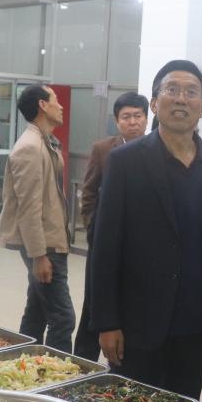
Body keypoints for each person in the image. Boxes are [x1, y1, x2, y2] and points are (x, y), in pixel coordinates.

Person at [89, 59, 202, 402]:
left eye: (191, 92)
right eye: (172, 90)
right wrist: (106, 322)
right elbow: (105, 247)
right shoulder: (125, 161)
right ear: (155, 103)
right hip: (138, 321)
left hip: (197, 322)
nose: (181, 98)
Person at [73, 91, 149, 360]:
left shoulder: (157, 150)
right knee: (96, 300)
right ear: (117, 122)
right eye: (126, 117)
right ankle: (84, 360)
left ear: (146, 118)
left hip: (139, 244)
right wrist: (94, 230)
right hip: (105, 240)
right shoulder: (104, 149)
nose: (133, 122)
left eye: (138, 116)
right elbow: (89, 193)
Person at [0, 84, 76, 352]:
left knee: (37, 313)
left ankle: (23, 363)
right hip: (45, 246)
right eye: (55, 100)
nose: (61, 106)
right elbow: (28, 207)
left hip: (49, 241)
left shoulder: (43, 141)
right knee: (63, 318)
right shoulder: (30, 147)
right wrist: (39, 255)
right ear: (43, 105)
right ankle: (56, 373)